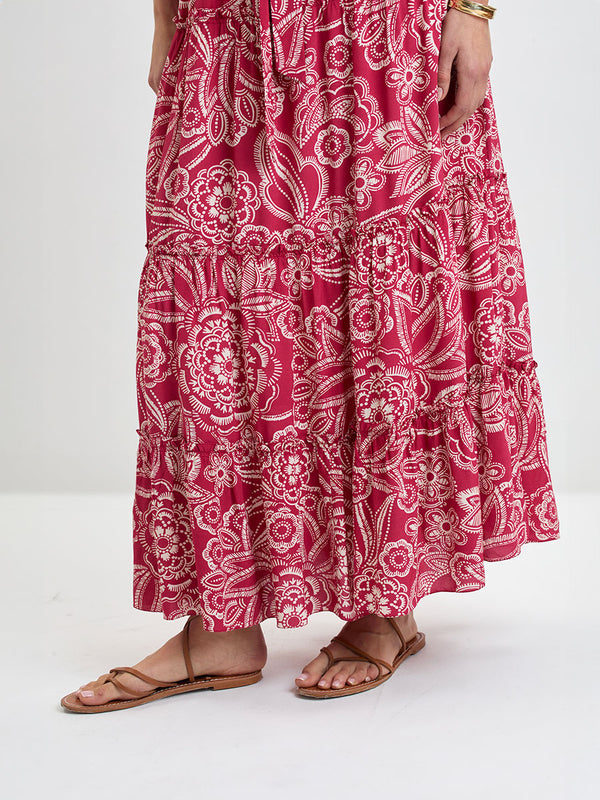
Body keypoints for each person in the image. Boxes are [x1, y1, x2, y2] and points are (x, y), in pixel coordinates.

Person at [60, 0, 560, 712]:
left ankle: (386, 601)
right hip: (225, 30)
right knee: (215, 304)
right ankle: (221, 622)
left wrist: (472, 11)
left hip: (377, 34)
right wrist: (165, 13)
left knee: (385, 300)